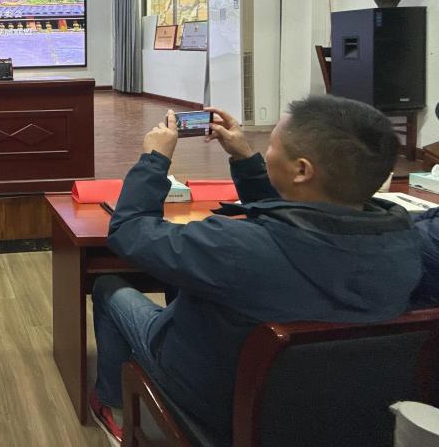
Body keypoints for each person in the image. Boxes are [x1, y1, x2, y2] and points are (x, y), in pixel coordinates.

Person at [89, 96, 421, 444]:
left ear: (302, 170)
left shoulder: (236, 247)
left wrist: (154, 160)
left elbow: (129, 231)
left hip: (224, 402)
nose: (267, 151)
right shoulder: (405, 243)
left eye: (272, 146)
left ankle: (113, 409)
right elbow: (294, 219)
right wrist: (245, 158)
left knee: (109, 287)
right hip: (335, 410)